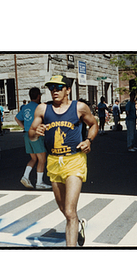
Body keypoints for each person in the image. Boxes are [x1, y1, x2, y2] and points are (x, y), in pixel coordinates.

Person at [28, 75, 98, 247]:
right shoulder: (42, 109)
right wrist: (37, 131)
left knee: (69, 210)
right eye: (52, 88)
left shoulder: (79, 108)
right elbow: (31, 134)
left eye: (59, 87)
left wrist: (88, 140)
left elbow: (94, 124)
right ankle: (78, 224)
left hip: (75, 160)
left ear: (67, 89)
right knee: (64, 210)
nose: (55, 91)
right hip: (53, 162)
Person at [15, 87, 51, 190]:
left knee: (33, 158)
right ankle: (39, 182)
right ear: (39, 96)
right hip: (36, 134)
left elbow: (17, 118)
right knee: (42, 158)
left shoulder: (25, 107)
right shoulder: (39, 107)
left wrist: (24, 127)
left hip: (27, 133)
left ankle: (26, 176)